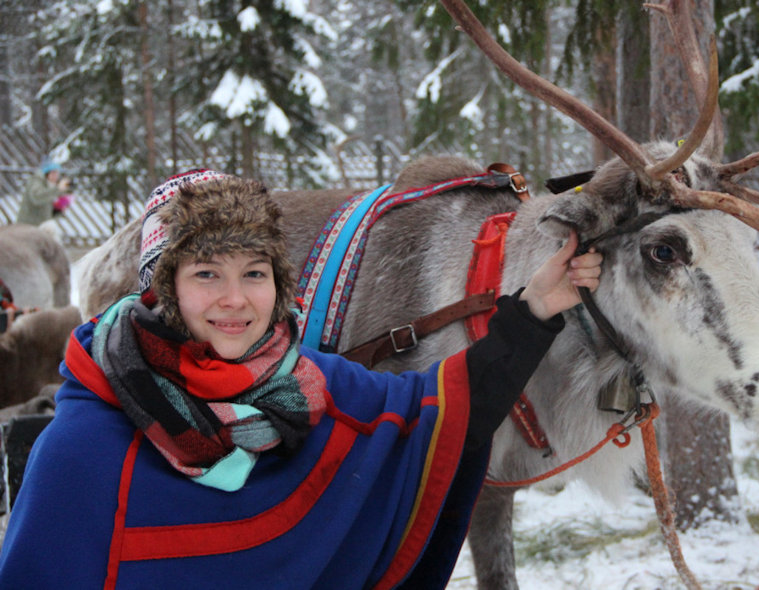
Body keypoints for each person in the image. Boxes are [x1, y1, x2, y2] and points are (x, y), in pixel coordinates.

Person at [0, 169, 603, 589]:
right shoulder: (83, 451)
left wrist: (533, 312)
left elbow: (437, 413)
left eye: (255, 272)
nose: (235, 301)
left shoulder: (315, 389)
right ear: (162, 288)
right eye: (207, 273)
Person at [16, 159, 73, 225]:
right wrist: (57, 189)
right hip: (28, 226)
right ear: (46, 173)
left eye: (57, 173)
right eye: (53, 173)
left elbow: (46, 210)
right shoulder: (36, 181)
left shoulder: (50, 185)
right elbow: (37, 197)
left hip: (41, 226)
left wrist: (58, 210)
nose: (56, 176)